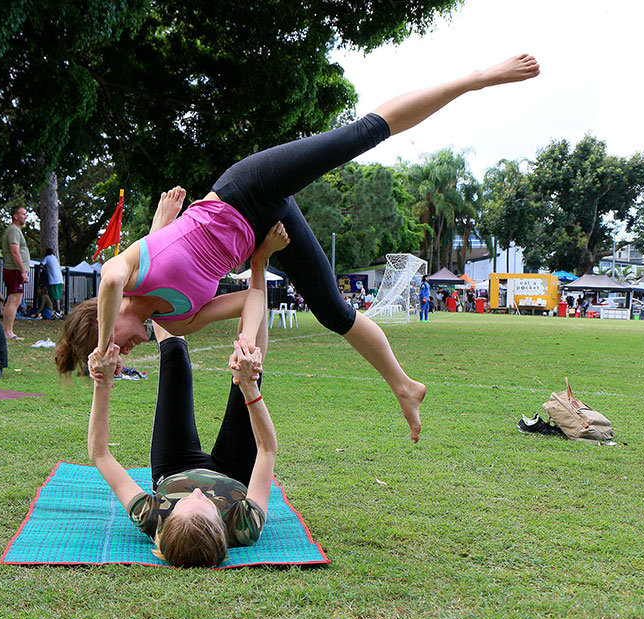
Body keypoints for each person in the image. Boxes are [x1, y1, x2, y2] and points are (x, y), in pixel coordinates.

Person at [56, 54, 540, 443]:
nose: (125, 351)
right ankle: (404, 385)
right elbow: (250, 300)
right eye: (121, 356)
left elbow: (110, 280)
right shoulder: (176, 321)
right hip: (267, 231)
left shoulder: (127, 272)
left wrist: (100, 348)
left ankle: (476, 78)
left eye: (117, 344)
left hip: (245, 189)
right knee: (332, 310)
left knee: (357, 136)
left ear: (100, 320)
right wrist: (249, 329)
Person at [86, 247, 281, 568]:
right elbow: (267, 450)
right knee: (251, 371)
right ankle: (260, 262)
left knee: (175, 361)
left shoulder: (152, 516)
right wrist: (248, 385)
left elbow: (100, 454)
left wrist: (102, 382)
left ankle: (156, 284)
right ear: (222, 528)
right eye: (204, 504)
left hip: (173, 466)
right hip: (234, 471)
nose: (197, 494)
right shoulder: (243, 527)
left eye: (185, 504)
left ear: (166, 522)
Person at [2, 205, 30, 340]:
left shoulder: (16, 231)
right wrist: (23, 271)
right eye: (23, 214)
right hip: (14, 270)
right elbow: (14, 251)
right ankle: (7, 332)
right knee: (14, 300)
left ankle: (7, 331)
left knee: (15, 300)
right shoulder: (13, 230)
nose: (25, 217)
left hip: (16, 270)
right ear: (15, 216)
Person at [41, 248, 64, 316]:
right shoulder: (54, 258)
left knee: (55, 295)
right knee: (58, 295)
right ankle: (58, 309)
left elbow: (41, 265)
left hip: (53, 280)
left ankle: (57, 309)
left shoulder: (47, 257)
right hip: (60, 279)